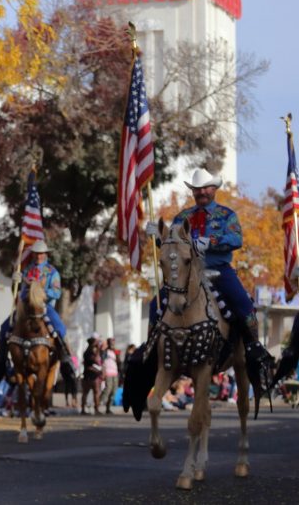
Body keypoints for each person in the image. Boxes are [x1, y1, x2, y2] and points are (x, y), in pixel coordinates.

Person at [146, 168, 273, 395]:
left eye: (205, 187)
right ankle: (150, 350)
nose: (201, 192)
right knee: (155, 304)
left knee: (244, 305)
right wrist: (158, 234)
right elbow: (169, 244)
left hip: (219, 270)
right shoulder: (182, 217)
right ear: (193, 192)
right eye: (197, 189)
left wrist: (210, 241)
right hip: (188, 273)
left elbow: (236, 239)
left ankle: (253, 348)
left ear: (214, 189)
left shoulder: (226, 215)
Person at [17, 240, 73, 366]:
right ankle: (0, 358)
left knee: (60, 327)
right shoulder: (26, 271)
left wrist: (40, 292)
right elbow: (21, 291)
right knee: (6, 326)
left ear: (46, 254)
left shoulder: (52, 272)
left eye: (41, 253)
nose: (38, 256)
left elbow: (57, 293)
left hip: (45, 307)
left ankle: (66, 358)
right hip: (27, 307)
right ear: (32, 254)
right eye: (36, 253)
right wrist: (16, 282)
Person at [80, 334, 103, 415]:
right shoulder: (89, 352)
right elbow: (95, 360)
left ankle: (94, 408)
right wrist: (98, 350)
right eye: (96, 342)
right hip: (90, 375)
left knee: (93, 392)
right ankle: (87, 409)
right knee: (90, 392)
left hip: (91, 374)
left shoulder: (89, 351)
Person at [100, 338, 120, 415]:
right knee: (108, 388)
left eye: (113, 343)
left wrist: (116, 353)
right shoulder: (105, 351)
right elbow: (102, 360)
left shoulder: (115, 352)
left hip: (115, 372)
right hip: (108, 372)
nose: (113, 344)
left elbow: (118, 361)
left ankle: (108, 407)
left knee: (114, 391)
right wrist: (103, 372)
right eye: (111, 343)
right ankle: (100, 403)